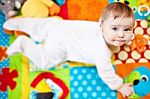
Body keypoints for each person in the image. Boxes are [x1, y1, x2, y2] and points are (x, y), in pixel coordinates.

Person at [3, 2, 135, 98]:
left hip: (58, 26)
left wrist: (127, 36)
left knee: (39, 25)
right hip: (60, 46)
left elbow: (120, 32)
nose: (121, 35)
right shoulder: (102, 53)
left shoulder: (104, 26)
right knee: (44, 62)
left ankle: (16, 23)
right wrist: (119, 86)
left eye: (127, 29)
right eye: (115, 29)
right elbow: (107, 74)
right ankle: (23, 44)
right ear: (101, 24)